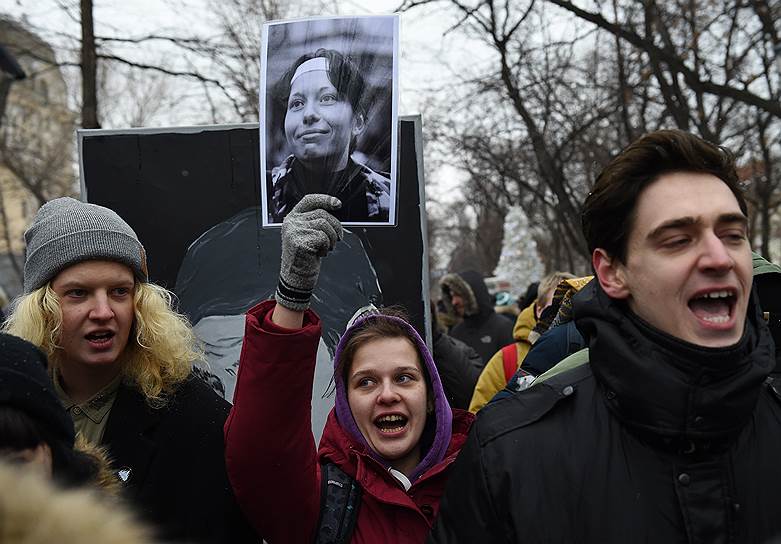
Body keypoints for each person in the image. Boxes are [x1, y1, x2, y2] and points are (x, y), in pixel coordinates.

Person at [429, 130, 781, 543]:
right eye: (678, 240)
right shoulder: (508, 454)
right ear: (612, 272)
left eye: (732, 235)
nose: (720, 258)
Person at [3, 197, 255, 544]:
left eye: (120, 291)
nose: (104, 311)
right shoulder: (12, 408)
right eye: (79, 293)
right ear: (42, 308)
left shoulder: (196, 419)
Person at [225, 195, 473, 543]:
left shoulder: (479, 483)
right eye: (366, 382)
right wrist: (292, 294)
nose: (388, 395)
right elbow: (262, 451)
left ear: (431, 396)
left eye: (404, 377)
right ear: (344, 404)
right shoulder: (320, 502)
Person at [267, 48, 391, 223]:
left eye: (327, 98)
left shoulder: (391, 194)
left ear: (357, 122)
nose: (308, 114)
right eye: (297, 103)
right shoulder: (261, 193)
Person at [468, 271, 573, 413]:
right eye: (558, 305)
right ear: (539, 310)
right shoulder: (506, 360)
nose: (565, 313)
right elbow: (479, 418)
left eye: (572, 306)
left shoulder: (595, 352)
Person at [439, 270, 514, 365]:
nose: (454, 302)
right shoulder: (456, 331)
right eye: (452, 296)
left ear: (473, 295)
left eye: (458, 295)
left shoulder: (504, 327)